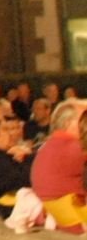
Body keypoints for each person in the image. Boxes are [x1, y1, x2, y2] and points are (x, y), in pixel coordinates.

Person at [30, 100, 87, 233]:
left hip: (64, 219)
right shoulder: (73, 148)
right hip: (78, 221)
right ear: (68, 123)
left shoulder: (52, 145)